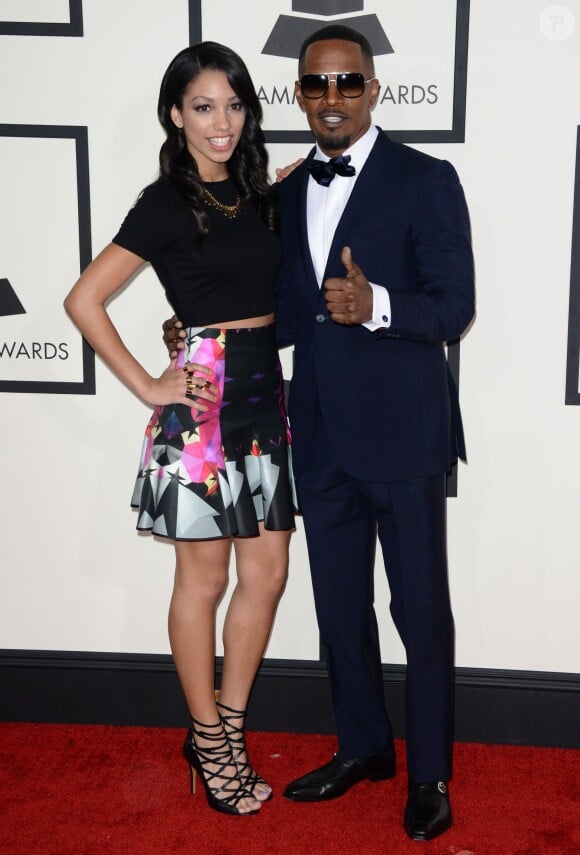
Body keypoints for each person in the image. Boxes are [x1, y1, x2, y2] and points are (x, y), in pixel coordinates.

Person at [164, 24, 474, 842]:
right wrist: (201, 332)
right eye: (315, 86)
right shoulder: (286, 193)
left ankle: (431, 771)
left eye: (347, 83)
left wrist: (376, 306)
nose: (331, 98)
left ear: (373, 91)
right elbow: (284, 317)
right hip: (320, 436)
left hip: (406, 435)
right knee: (339, 607)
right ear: (299, 96)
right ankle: (364, 746)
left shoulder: (426, 180)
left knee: (421, 609)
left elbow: (454, 306)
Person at [64, 42, 296, 817]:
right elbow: (84, 299)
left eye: (233, 104)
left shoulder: (259, 191)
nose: (221, 122)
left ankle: (226, 728)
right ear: (175, 114)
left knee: (266, 573)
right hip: (200, 402)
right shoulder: (165, 202)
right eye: (203, 106)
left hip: (264, 391)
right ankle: (207, 735)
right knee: (203, 580)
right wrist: (148, 385)